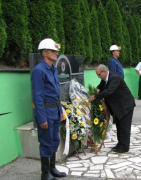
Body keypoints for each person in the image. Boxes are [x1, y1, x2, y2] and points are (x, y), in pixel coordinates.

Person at [31, 38, 67, 180]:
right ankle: (45, 173)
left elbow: (55, 92)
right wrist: (42, 118)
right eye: (53, 51)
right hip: (45, 112)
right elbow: (38, 96)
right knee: (46, 142)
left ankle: (52, 169)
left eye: (56, 51)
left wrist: (61, 111)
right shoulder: (39, 71)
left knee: (54, 140)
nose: (56, 53)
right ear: (45, 53)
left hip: (54, 111)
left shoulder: (52, 69)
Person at [89, 64, 136, 153]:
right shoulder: (104, 80)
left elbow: (109, 91)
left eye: (99, 74)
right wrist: (93, 92)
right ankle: (120, 143)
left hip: (125, 105)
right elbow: (100, 88)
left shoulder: (114, 78)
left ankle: (124, 147)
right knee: (119, 125)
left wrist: (95, 96)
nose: (98, 77)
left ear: (105, 71)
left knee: (124, 126)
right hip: (118, 106)